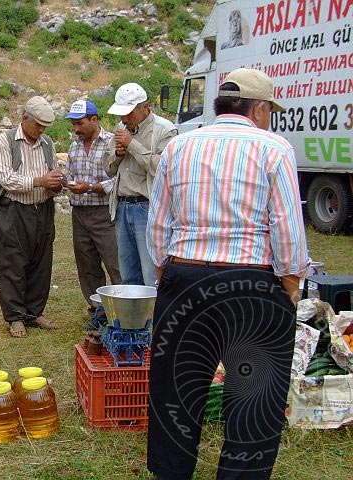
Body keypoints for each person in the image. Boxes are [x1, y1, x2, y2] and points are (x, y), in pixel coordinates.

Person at [145, 68, 310, 479]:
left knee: (175, 393)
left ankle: (170, 472)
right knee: (253, 402)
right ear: (257, 108)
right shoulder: (274, 148)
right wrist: (290, 284)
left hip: (184, 280)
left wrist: (169, 274)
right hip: (252, 287)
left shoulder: (179, 146)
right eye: (268, 109)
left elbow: (159, 225)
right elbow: (287, 226)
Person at [0, 96, 63, 338]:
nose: (41, 130)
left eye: (44, 126)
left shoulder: (47, 143)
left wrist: (57, 183)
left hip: (43, 209)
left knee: (41, 262)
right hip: (15, 210)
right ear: (25, 119)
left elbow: (52, 172)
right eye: (38, 125)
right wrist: (40, 181)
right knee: (12, 262)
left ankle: (34, 313)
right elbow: (7, 180)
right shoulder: (6, 140)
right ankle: (15, 317)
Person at [104, 83, 177, 287]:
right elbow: (109, 168)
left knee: (150, 272)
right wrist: (118, 154)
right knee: (128, 272)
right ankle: (132, 318)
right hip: (122, 206)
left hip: (147, 207)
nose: (124, 119)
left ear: (146, 107)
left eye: (128, 114)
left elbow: (163, 169)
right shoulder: (121, 129)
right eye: (121, 114)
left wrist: (132, 145)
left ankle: (153, 318)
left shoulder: (165, 130)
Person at [64, 100, 121, 327]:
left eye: (80, 123)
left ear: (94, 120)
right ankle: (98, 312)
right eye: (74, 124)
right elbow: (70, 173)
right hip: (79, 212)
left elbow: (118, 179)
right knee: (87, 265)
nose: (76, 129)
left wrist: (90, 187)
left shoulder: (111, 142)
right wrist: (64, 182)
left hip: (104, 212)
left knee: (114, 263)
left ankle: (120, 312)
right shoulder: (74, 146)